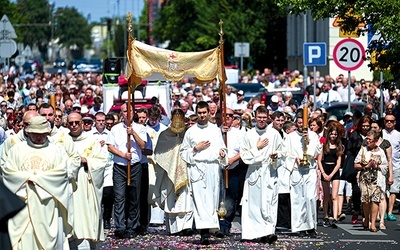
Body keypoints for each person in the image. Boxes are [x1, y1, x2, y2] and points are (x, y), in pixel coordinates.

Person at [2, 116, 72, 249]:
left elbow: (61, 174)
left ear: (47, 133)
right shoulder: (16, 150)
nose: (38, 137)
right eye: (35, 134)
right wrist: (28, 178)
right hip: (23, 204)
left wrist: (36, 179)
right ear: (28, 132)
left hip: (46, 204)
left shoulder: (56, 150)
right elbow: (8, 173)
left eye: (42, 134)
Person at [180, 101, 227, 245]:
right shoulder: (191, 131)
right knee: (200, 200)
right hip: (197, 167)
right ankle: (203, 232)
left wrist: (222, 153)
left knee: (212, 199)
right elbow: (183, 152)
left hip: (212, 167)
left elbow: (222, 147)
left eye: (204, 113)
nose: (201, 115)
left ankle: (212, 227)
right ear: (196, 113)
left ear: (208, 112)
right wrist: (195, 148)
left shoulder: (215, 129)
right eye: (199, 113)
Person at [240, 105, 282, 244]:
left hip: (269, 171)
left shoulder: (274, 134)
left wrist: (277, 156)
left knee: (269, 203)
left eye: (264, 117)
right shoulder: (249, 134)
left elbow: (283, 152)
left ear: (268, 118)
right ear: (255, 117)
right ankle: (253, 232)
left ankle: (268, 232)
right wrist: (257, 148)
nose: (262, 120)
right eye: (259, 117)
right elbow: (244, 156)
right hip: (254, 171)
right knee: (253, 205)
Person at [106, 103, 147, 239]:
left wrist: (133, 133)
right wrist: (123, 154)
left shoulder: (140, 128)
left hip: (135, 166)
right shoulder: (115, 129)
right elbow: (110, 147)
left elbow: (142, 145)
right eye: (124, 111)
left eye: (129, 111)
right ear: (121, 113)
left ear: (133, 112)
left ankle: (132, 225)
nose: (127, 114)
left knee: (134, 197)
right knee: (119, 197)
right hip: (120, 166)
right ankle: (120, 227)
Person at [67, 113, 107, 249]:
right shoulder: (62, 141)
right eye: (71, 123)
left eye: (76, 123)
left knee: (86, 215)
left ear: (82, 124)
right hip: (67, 185)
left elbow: (102, 162)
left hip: (86, 183)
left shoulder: (91, 141)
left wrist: (87, 161)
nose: (73, 125)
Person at [153, 109, 194, 235]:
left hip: (186, 172)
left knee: (186, 201)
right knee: (172, 201)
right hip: (169, 173)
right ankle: (174, 228)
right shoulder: (164, 135)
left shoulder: (188, 133)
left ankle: (186, 227)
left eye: (180, 118)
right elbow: (159, 153)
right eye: (175, 118)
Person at [284, 112, 321, 237]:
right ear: (296, 123)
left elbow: (317, 151)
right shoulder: (290, 137)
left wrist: (309, 141)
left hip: (309, 169)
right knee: (297, 199)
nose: (301, 125)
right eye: (299, 123)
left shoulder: (313, 135)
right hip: (297, 170)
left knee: (310, 198)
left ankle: (310, 226)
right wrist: (295, 158)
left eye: (303, 123)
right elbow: (286, 153)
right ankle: (299, 226)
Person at [217, 108, 246, 238]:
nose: (228, 117)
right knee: (218, 197)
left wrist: (232, 159)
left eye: (230, 115)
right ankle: (217, 224)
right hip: (218, 169)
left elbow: (243, 151)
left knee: (231, 198)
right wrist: (220, 134)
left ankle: (226, 224)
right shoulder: (215, 131)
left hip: (233, 168)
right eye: (225, 115)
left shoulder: (239, 133)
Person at [354, 131, 388, 232]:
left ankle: (373, 223)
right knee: (365, 200)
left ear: (376, 141)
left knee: (375, 200)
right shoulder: (363, 150)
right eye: (367, 139)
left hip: (377, 179)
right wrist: (366, 166)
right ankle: (367, 218)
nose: (367, 141)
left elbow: (385, 167)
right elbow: (356, 164)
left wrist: (376, 166)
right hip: (365, 179)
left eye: (370, 139)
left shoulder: (381, 152)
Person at [342, 115, 373, 224]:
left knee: (368, 191)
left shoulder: (372, 136)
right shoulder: (354, 135)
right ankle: (356, 210)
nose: (365, 128)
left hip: (370, 165)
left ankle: (366, 215)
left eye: (367, 126)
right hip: (357, 164)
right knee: (356, 190)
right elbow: (349, 150)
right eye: (363, 126)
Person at [317, 125, 344, 228]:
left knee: (334, 196)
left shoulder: (338, 146)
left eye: (335, 134)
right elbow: (319, 160)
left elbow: (338, 163)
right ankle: (326, 216)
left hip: (334, 170)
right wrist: (324, 173)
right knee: (326, 196)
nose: (333, 136)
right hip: (325, 168)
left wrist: (332, 174)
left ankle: (335, 216)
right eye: (331, 134)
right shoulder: (323, 145)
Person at [92, 111, 114, 230]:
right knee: (96, 195)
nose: (101, 123)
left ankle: (106, 219)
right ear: (95, 121)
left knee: (108, 195)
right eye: (98, 121)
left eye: (102, 120)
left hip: (108, 167)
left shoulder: (110, 134)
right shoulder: (89, 134)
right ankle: (96, 218)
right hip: (95, 168)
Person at [370, 120, 393, 230]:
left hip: (381, 173)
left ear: (379, 129)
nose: (373, 129)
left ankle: (382, 220)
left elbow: (389, 160)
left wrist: (391, 175)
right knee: (371, 197)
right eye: (372, 127)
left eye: (375, 127)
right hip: (369, 173)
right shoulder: (368, 142)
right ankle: (372, 219)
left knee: (382, 196)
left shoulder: (386, 143)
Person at [382, 114, 399, 222]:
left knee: (394, 189)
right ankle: (382, 211)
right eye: (387, 121)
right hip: (382, 165)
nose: (389, 123)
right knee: (382, 189)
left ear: (395, 122)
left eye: (391, 121)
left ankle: (390, 211)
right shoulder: (381, 133)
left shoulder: (398, 135)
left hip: (396, 165)